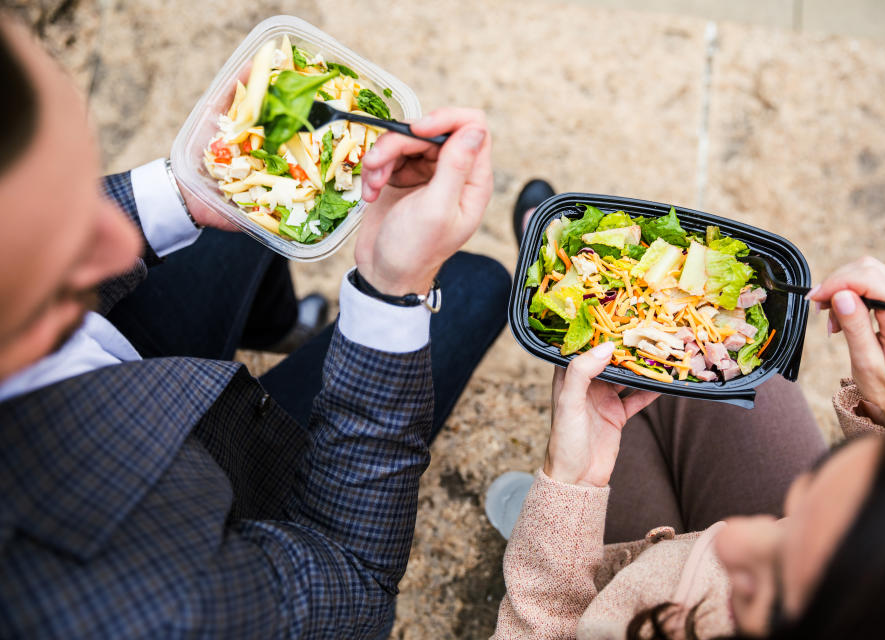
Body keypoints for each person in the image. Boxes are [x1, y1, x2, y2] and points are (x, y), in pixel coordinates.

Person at [0, 18, 510, 638]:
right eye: (58, 244)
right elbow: (355, 581)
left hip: (107, 339)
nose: (118, 242)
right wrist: (389, 294)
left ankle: (281, 326)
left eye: (77, 191)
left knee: (247, 218)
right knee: (477, 286)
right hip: (225, 475)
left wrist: (182, 194)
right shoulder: (146, 606)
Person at [493, 182, 885, 638]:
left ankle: (542, 537)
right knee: (751, 393)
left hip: (616, 599)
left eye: (758, 591)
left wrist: (567, 499)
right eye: (797, 511)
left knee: (640, 416)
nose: (731, 535)